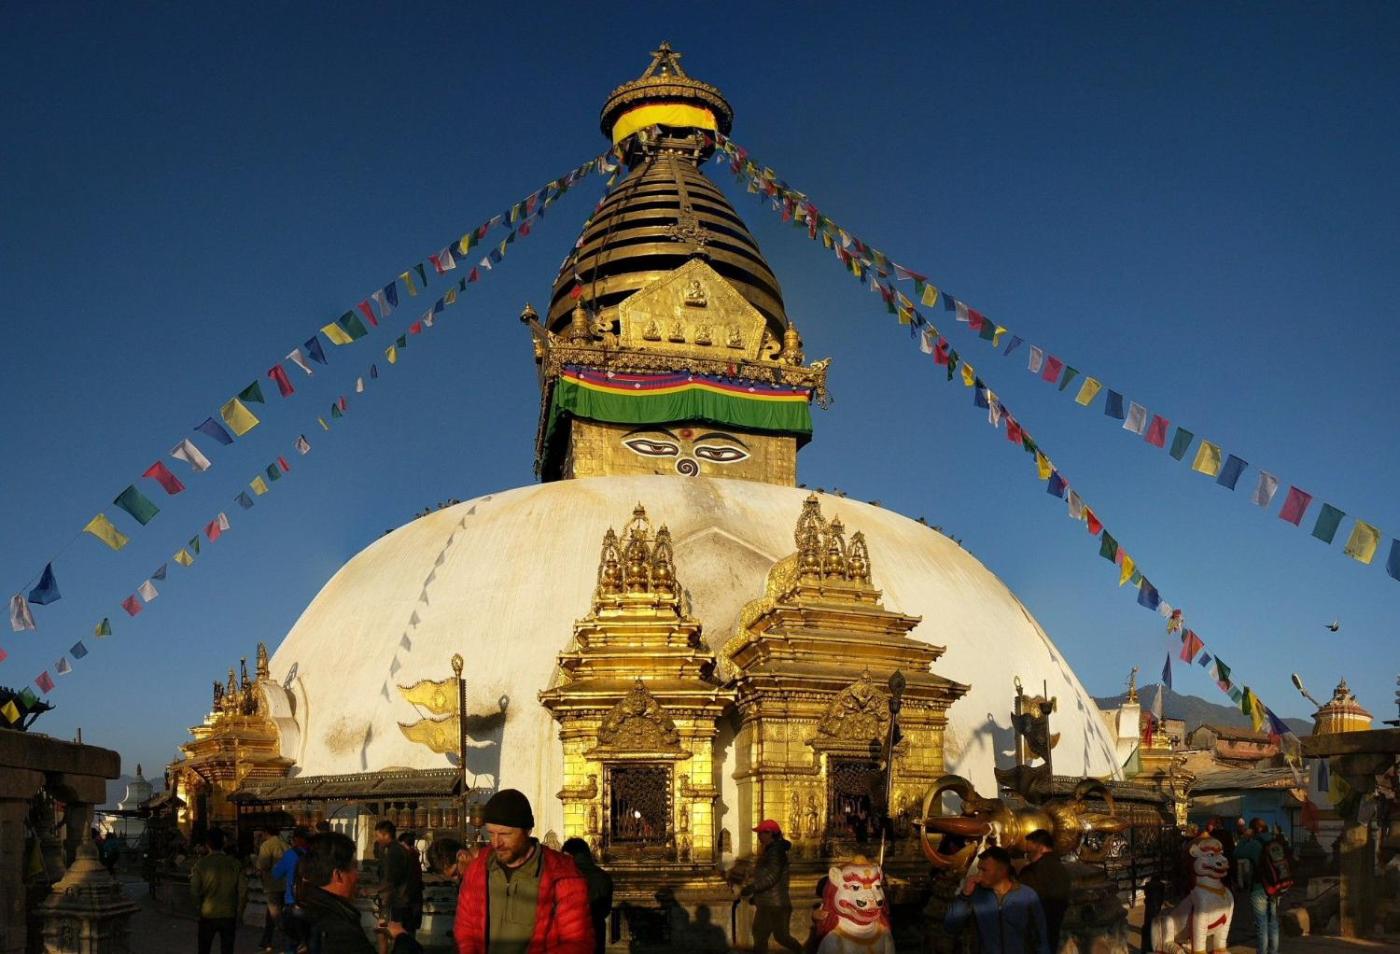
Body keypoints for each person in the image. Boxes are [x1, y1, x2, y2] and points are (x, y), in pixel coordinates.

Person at [452, 788, 593, 953]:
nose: (496, 843)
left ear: (527, 831)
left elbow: (578, 944)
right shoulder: (478, 871)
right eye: (491, 833)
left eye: (505, 834)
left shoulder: (562, 876)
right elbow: (465, 930)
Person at [300, 831, 422, 954]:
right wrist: (402, 937)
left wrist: (382, 944)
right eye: (354, 867)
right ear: (338, 876)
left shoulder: (308, 910)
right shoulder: (341, 931)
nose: (357, 875)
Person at [945, 846, 1049, 954]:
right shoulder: (976, 894)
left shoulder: (1027, 896)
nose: (979, 875)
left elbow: (1040, 937)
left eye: (984, 870)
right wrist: (965, 895)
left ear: (1002, 871)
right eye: (979, 869)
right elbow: (951, 926)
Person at [743, 819, 802, 954]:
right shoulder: (771, 850)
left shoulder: (776, 852)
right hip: (772, 902)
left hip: (773, 904)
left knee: (762, 936)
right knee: (779, 936)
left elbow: (772, 877)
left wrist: (753, 887)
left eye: (761, 833)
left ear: (769, 833)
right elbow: (766, 874)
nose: (758, 836)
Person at [1233, 818, 1289, 954]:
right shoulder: (1276, 842)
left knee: (1261, 923)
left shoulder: (1254, 844)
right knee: (1273, 921)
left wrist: (1245, 838)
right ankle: (1273, 951)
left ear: (1254, 830)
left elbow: (1237, 853)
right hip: (1276, 886)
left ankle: (1262, 952)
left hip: (1259, 887)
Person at [190, 828, 247, 954]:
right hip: (229, 913)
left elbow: (194, 890)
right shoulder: (235, 863)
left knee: (204, 949)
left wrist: (198, 908)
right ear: (224, 843)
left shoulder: (201, 864)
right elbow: (243, 891)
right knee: (227, 949)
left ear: (207, 844)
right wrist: (239, 912)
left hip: (207, 914)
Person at [1017, 830, 1070, 952]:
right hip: (1053, 929)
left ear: (1040, 847)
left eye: (1029, 851)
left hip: (1033, 932)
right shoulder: (1061, 869)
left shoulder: (1033, 871)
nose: (1027, 855)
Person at [561, 837, 613, 954]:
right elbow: (606, 910)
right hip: (596, 933)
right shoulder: (603, 876)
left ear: (569, 855)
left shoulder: (564, 876)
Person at [272, 827, 311, 954]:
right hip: (313, 903)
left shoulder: (290, 854)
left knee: (292, 940)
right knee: (310, 941)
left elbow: (276, 874)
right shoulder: (314, 855)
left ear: (295, 839)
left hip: (293, 901)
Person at [255, 823, 290, 954]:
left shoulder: (266, 845)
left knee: (276, 915)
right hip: (285, 884)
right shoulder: (286, 845)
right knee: (272, 914)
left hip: (272, 885)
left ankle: (287, 942)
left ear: (266, 832)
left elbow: (263, 865)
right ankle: (266, 940)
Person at [375, 820, 415, 930]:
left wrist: (374, 890)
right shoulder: (392, 850)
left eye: (378, 836)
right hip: (396, 900)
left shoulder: (394, 852)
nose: (377, 839)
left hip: (396, 901)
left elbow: (391, 879)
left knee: (390, 931)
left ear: (386, 835)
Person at [397, 830, 426, 932]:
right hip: (414, 897)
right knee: (410, 929)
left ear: (404, 843)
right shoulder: (414, 856)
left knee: (405, 928)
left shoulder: (407, 857)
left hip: (407, 898)